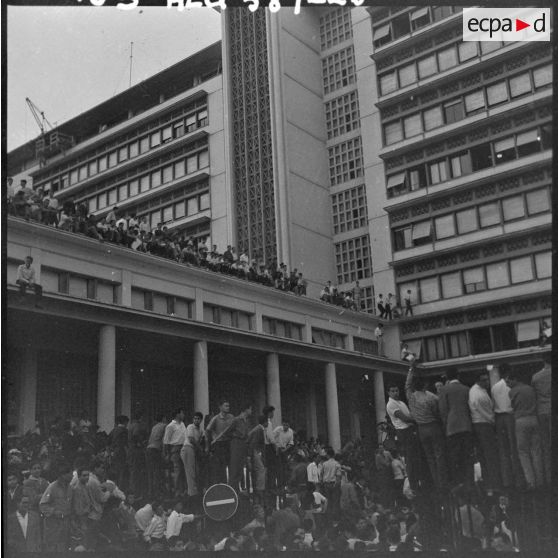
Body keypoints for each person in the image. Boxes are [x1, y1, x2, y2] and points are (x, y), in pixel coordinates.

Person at [405, 366, 447, 489]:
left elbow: (407, 385)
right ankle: (442, 481)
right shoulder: (429, 398)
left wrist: (410, 370)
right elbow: (437, 411)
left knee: (430, 457)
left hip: (421, 429)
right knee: (439, 454)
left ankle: (436, 482)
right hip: (433, 426)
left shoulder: (411, 397)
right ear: (424, 385)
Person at [504, 369, 544, 489]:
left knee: (523, 452)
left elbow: (512, 407)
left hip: (521, 421)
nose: (508, 384)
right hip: (534, 419)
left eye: (509, 381)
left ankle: (531, 481)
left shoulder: (512, 392)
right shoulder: (530, 389)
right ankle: (541, 480)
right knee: (536, 451)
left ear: (515, 379)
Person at [438, 368, 473, 489]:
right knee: (467, 456)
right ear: (458, 376)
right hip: (466, 426)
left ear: (447, 378)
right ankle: (470, 482)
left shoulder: (444, 390)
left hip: (451, 428)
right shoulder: (466, 389)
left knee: (454, 457)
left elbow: (443, 410)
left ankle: (458, 482)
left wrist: (445, 425)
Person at [468, 371, 501, 494]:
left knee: (486, 454)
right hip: (483, 424)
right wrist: (493, 423)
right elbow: (486, 413)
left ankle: (490, 481)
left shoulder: (479, 391)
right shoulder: (478, 394)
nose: (487, 382)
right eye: (484, 380)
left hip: (482, 424)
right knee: (490, 454)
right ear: (478, 381)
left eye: (487, 379)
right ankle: (494, 481)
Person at [492, 364, 524, 489]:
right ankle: (518, 478)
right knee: (514, 447)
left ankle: (507, 480)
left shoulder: (494, 387)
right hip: (510, 416)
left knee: (503, 450)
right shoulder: (511, 385)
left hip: (499, 417)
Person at [385, 384, 421, 492]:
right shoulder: (391, 404)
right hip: (403, 431)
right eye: (393, 391)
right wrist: (417, 419)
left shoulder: (400, 402)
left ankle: (417, 480)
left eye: (397, 390)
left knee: (414, 457)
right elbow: (404, 418)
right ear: (389, 393)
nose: (395, 392)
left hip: (409, 429)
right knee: (410, 458)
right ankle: (413, 484)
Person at [39, 463, 74, 551]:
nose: (72, 476)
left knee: (63, 547)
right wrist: (54, 511)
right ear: (63, 475)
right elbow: (42, 505)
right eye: (70, 474)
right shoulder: (52, 487)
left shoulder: (70, 488)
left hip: (65, 523)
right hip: (53, 524)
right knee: (52, 548)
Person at [531, 356, 551, 485]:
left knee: (546, 446)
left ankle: (549, 478)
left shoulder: (535, 377)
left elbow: (534, 395)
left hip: (542, 412)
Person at [205, 399, 234, 485]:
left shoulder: (231, 417)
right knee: (221, 466)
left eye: (228, 406)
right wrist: (209, 444)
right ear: (220, 407)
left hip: (229, 443)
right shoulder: (216, 418)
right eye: (225, 406)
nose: (228, 407)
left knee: (231, 465)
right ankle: (222, 485)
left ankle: (232, 486)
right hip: (219, 444)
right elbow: (207, 431)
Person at [226, 402, 254, 492]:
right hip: (236, 443)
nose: (251, 411)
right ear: (246, 409)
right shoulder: (236, 420)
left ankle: (236, 491)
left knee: (240, 470)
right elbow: (227, 431)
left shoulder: (247, 421)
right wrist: (236, 435)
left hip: (243, 445)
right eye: (250, 409)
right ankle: (231, 491)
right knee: (234, 469)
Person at [164, 409, 187, 496]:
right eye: (182, 413)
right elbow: (166, 440)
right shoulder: (171, 426)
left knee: (184, 470)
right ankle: (177, 491)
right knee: (177, 470)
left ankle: (183, 490)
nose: (183, 415)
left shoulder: (182, 424)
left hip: (184, 448)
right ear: (178, 414)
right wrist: (166, 453)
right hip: (176, 449)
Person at [181, 412, 204, 498]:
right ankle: (192, 494)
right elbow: (191, 439)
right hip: (187, 448)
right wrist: (200, 449)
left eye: (198, 419)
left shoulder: (201, 430)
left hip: (193, 450)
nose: (196, 420)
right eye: (195, 418)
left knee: (194, 471)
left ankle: (194, 491)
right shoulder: (190, 426)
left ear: (201, 420)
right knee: (190, 472)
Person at [247, 415, 268, 503]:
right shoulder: (259, 430)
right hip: (254, 451)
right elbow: (253, 443)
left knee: (259, 470)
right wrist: (250, 456)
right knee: (261, 469)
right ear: (265, 422)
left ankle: (259, 488)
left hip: (255, 451)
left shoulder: (258, 429)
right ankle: (260, 488)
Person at [146, 413, 167, 497]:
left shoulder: (154, 427)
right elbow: (164, 440)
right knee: (157, 472)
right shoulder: (165, 426)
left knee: (150, 472)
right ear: (163, 418)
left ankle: (150, 491)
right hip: (156, 450)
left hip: (149, 449)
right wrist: (164, 452)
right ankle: (157, 492)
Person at [109, 415, 129, 491]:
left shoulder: (113, 430)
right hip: (121, 452)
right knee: (121, 472)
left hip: (114, 452)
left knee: (115, 472)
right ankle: (119, 489)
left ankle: (114, 488)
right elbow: (125, 444)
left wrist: (110, 453)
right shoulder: (125, 431)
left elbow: (108, 442)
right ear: (125, 422)